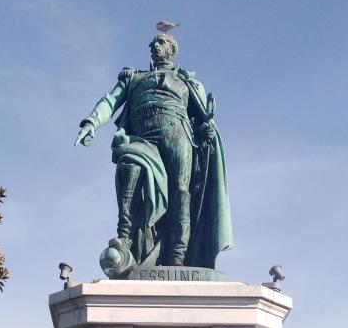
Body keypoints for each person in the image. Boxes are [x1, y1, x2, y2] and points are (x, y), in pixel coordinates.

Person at [76, 32, 231, 272]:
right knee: (129, 164)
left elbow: (202, 121)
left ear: (172, 49)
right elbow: (110, 101)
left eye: (161, 43)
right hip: (141, 136)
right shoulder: (134, 78)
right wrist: (91, 122)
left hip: (178, 133)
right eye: (153, 44)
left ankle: (178, 258)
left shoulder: (188, 82)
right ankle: (124, 238)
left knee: (181, 192)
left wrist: (206, 130)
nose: (154, 47)